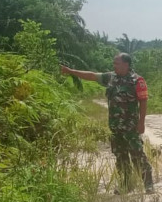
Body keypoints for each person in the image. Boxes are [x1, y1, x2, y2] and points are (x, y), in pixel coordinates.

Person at [61, 53, 155, 194]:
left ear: (126, 64)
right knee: (120, 156)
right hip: (115, 127)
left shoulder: (137, 80)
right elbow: (92, 76)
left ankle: (148, 184)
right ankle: (126, 184)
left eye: (117, 63)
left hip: (130, 127)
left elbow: (143, 101)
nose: (114, 66)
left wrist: (141, 122)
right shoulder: (111, 77)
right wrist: (71, 71)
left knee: (137, 153)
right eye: (114, 63)